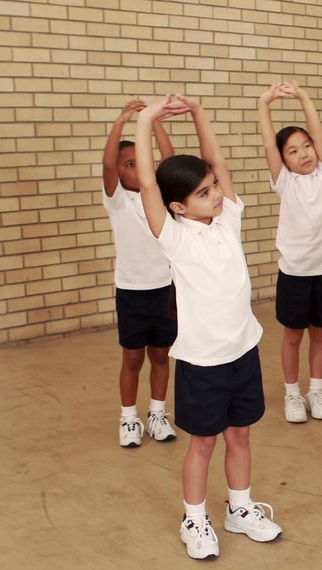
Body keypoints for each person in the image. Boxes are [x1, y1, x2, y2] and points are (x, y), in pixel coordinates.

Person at [134, 94, 283, 559]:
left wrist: (199, 113)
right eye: (203, 192)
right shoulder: (175, 235)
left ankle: (239, 508)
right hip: (202, 361)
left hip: (243, 351)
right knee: (202, 444)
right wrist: (145, 120)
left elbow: (214, 159)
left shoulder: (228, 219)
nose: (216, 194)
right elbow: (145, 182)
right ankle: (194, 519)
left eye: (214, 186)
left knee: (240, 434)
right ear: (177, 206)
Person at [257, 81, 322, 424]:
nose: (304, 153)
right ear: (283, 160)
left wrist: (303, 97)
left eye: (306, 146)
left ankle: (316, 390)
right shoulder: (286, 182)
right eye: (293, 151)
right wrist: (265, 103)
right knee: (293, 335)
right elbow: (269, 141)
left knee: (321, 333)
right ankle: (293, 394)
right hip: (296, 272)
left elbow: (319, 134)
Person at [100, 99, 177, 447]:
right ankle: (128, 418)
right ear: (118, 172)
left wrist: (154, 121)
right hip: (132, 291)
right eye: (128, 164)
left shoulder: (158, 195)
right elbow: (107, 163)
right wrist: (123, 119)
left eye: (138, 163)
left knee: (160, 355)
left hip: (164, 289)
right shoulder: (117, 200)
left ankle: (158, 414)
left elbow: (170, 159)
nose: (135, 169)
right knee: (132, 357)